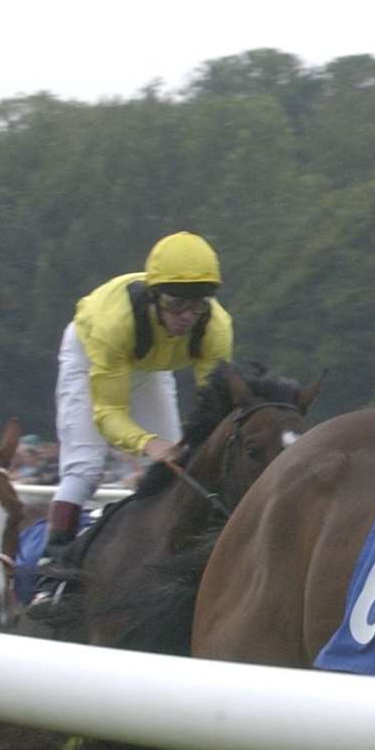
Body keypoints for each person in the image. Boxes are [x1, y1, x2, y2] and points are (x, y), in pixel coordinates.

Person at [29, 232, 233, 610]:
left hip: (150, 365)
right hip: (92, 356)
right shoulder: (115, 323)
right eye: (175, 305)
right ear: (155, 296)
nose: (186, 318)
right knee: (85, 470)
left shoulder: (216, 328)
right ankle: (50, 572)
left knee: (180, 475)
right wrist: (148, 445)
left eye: (196, 306)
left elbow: (215, 406)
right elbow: (108, 414)